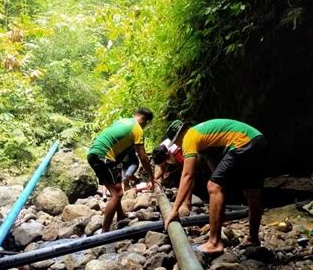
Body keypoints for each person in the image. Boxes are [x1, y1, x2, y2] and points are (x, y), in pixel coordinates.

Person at [164, 118, 267, 256]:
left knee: (213, 186)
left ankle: (214, 243)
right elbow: (215, 168)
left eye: (176, 143)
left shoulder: (189, 136)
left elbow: (187, 175)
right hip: (257, 139)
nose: (178, 146)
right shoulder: (205, 136)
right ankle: (253, 238)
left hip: (242, 142)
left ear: (178, 137)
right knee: (252, 192)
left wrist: (174, 209)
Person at [88, 107, 155, 232]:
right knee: (117, 194)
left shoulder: (123, 121)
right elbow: (143, 157)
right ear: (146, 121)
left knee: (117, 190)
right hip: (104, 157)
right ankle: (105, 232)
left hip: (95, 154)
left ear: (135, 114)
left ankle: (120, 216)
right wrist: (152, 177)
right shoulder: (137, 129)